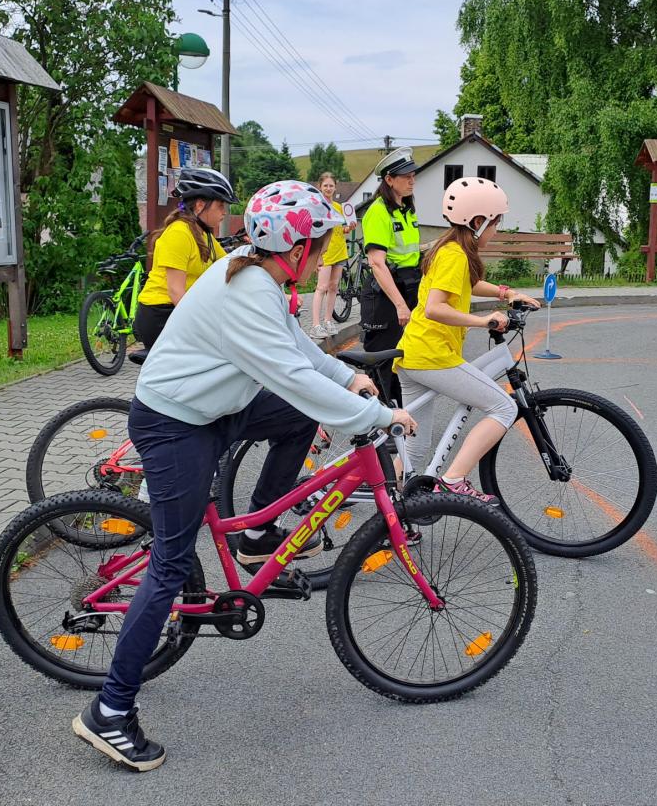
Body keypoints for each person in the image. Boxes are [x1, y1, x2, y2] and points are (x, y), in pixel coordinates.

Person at [73, 179, 416, 772]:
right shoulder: (249, 291)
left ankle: (256, 534)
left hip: (212, 407)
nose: (323, 256)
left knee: (300, 417)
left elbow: (299, 349)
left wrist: (347, 377)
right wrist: (378, 416)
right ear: (297, 249)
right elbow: (290, 374)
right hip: (175, 422)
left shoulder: (257, 272)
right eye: (320, 245)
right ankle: (110, 710)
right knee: (171, 565)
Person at [396, 177, 541, 499]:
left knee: (415, 449)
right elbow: (435, 308)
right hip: (432, 356)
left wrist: (507, 293)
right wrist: (482, 320)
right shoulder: (455, 255)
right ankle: (453, 479)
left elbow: (467, 285)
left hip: (414, 354)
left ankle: (390, 506)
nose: (496, 230)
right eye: (495, 223)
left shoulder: (450, 248)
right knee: (504, 408)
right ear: (478, 222)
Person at [132, 167, 236, 356]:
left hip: (179, 310)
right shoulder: (179, 233)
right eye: (220, 205)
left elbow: (230, 264)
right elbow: (176, 292)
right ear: (200, 205)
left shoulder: (203, 235)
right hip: (162, 314)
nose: (224, 212)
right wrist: (204, 322)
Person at [360, 147, 421, 402]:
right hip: (386, 296)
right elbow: (377, 263)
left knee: (404, 359)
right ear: (389, 179)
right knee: (382, 364)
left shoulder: (405, 209)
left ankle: (398, 417)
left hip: (409, 287)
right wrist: (400, 305)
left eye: (413, 175)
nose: (412, 180)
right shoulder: (378, 211)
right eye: (406, 176)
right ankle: (377, 420)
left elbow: (408, 253)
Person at [308, 171, 354, 339]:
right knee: (321, 288)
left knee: (334, 287)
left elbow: (339, 229)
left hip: (340, 251)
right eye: (325, 185)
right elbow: (314, 232)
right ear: (320, 187)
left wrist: (348, 228)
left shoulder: (339, 207)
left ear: (335, 187)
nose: (328, 188)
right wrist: (316, 256)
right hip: (324, 253)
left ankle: (328, 320)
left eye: (331, 185)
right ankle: (315, 325)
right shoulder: (317, 208)